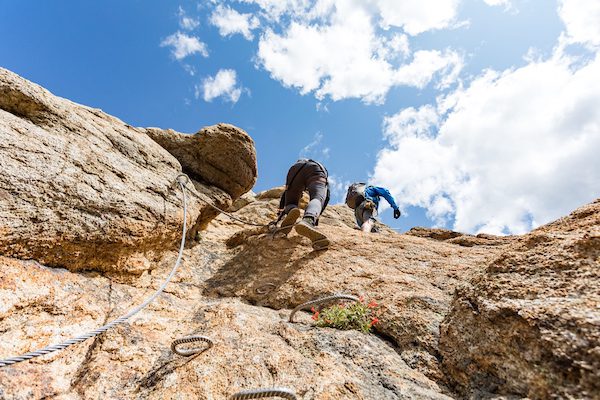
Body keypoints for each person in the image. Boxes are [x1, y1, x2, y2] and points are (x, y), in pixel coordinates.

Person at [276, 159, 330, 249]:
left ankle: (291, 210)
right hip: (315, 170)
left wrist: (280, 213)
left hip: (294, 170)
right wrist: (315, 218)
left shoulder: (299, 163)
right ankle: (308, 221)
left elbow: (286, 193)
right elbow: (326, 197)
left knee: (291, 202)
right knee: (317, 198)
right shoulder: (318, 166)